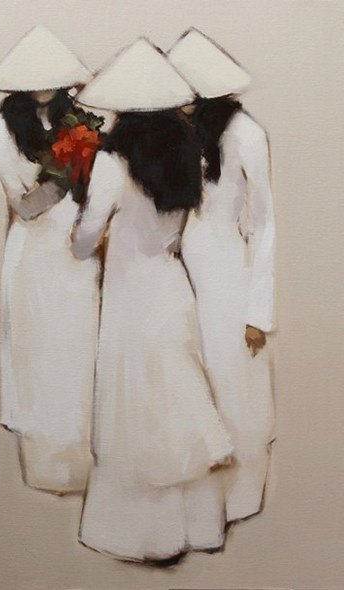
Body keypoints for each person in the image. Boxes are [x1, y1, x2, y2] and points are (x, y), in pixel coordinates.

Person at [71, 38, 233, 562]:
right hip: (172, 288)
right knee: (177, 399)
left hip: (130, 297)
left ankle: (144, 534)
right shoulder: (189, 154)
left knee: (135, 408)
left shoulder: (112, 162)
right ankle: (199, 527)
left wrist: (79, 230)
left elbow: (84, 240)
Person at [0, 25, 100, 494]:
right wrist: (66, 170)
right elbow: (23, 204)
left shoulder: (81, 121)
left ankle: (84, 467)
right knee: (37, 355)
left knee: (78, 351)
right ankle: (43, 469)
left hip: (77, 253)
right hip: (33, 255)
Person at [169, 28, 276, 523]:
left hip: (230, 277)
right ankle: (202, 506)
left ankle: (243, 498)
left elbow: (265, 224)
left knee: (236, 386)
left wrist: (259, 311)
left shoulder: (247, 135)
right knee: (194, 385)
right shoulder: (180, 136)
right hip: (182, 275)